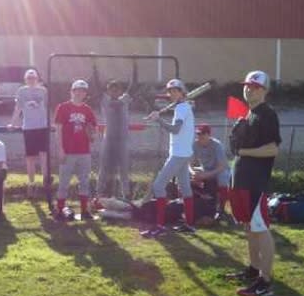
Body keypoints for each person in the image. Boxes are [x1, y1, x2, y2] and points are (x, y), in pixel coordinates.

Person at [226, 71, 281, 296]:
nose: (250, 89)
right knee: (250, 227)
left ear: (265, 91)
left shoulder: (266, 114)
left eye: (255, 87)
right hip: (241, 181)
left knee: (260, 228)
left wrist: (244, 151)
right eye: (248, 86)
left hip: (255, 182)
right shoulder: (249, 114)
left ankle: (265, 282)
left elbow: (273, 149)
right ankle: (253, 269)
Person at [140, 78, 195, 237]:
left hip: (179, 155)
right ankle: (190, 224)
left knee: (158, 186)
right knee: (185, 188)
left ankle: (160, 226)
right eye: (170, 91)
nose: (172, 94)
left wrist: (159, 120)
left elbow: (175, 129)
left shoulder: (182, 109)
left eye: (175, 91)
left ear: (182, 92)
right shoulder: (182, 107)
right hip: (183, 153)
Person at [54, 79, 98, 220]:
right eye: (77, 90)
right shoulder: (63, 107)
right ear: (72, 91)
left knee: (84, 182)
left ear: (85, 93)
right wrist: (60, 149)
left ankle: (84, 211)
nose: (80, 93)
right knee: (64, 182)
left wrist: (92, 134)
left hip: (84, 151)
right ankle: (60, 210)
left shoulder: (87, 110)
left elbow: (94, 128)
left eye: (83, 91)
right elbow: (58, 130)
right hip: (68, 151)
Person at [8, 68, 48, 198]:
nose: (31, 80)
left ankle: (46, 182)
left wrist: (50, 122)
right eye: (29, 78)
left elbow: (47, 108)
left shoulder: (43, 91)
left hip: (42, 126)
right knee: (30, 157)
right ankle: (31, 184)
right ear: (25, 80)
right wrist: (13, 123)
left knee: (43, 155)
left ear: (37, 79)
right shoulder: (21, 91)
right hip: (28, 127)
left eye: (34, 78)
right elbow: (18, 108)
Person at [96, 79, 133, 198]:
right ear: (108, 91)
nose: (114, 91)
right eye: (111, 89)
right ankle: (99, 195)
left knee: (124, 169)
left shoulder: (125, 99)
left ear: (120, 91)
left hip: (122, 140)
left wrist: (135, 69)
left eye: (117, 89)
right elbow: (97, 86)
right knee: (104, 168)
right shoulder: (105, 100)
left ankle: (126, 195)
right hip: (109, 140)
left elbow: (132, 87)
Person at [191, 124, 232, 221]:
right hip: (206, 169)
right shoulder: (195, 145)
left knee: (222, 179)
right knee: (186, 177)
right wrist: (193, 173)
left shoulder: (217, 145)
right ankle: (189, 207)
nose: (200, 136)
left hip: (220, 170)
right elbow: (189, 163)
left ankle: (221, 210)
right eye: (198, 134)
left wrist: (205, 175)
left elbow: (222, 166)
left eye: (203, 134)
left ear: (209, 134)